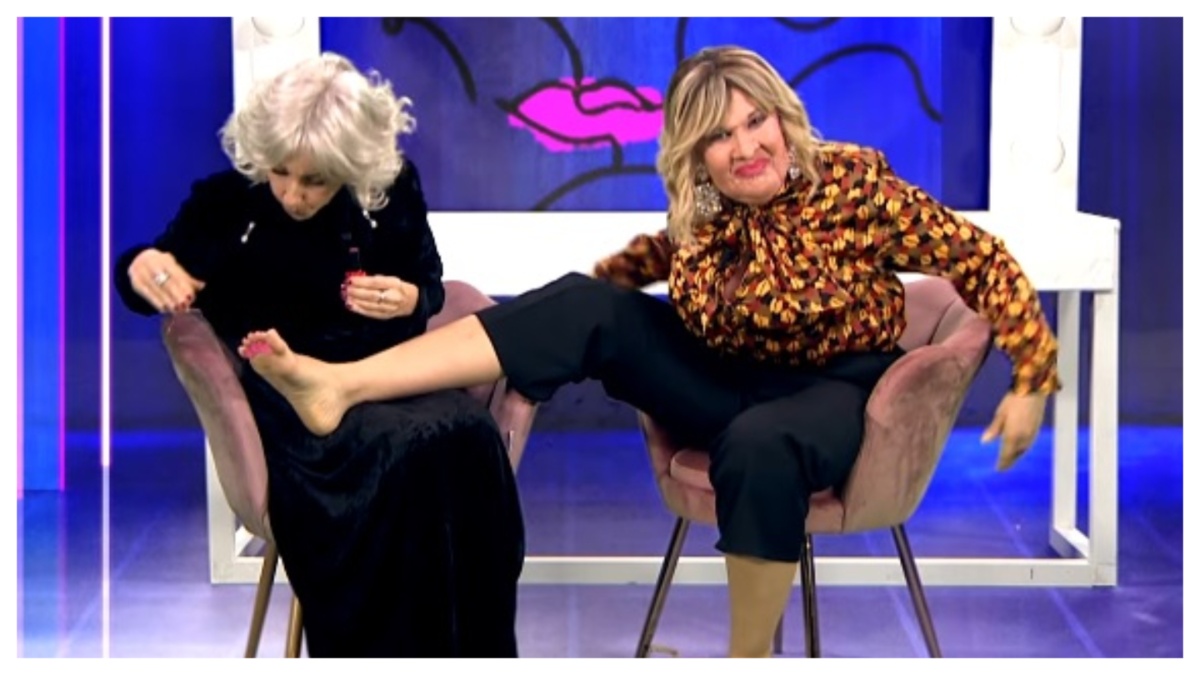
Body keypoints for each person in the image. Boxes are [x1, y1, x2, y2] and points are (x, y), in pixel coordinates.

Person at [238, 46, 1060, 658]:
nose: (745, 147)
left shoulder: (854, 185)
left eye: (756, 121)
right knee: (582, 304)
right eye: (719, 137)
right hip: (721, 378)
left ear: (783, 117)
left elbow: (981, 260)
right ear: (696, 153)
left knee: (761, 444)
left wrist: (1032, 376)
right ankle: (340, 384)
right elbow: (656, 260)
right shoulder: (701, 207)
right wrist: (592, 299)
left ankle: (747, 659)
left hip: (834, 390)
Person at [114, 52, 524, 658]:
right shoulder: (229, 204)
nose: (294, 194)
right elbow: (154, 274)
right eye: (281, 172)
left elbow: (429, 283)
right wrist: (141, 266)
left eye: (316, 181)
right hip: (289, 399)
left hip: (386, 373)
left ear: (350, 167)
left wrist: (411, 297)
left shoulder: (389, 191)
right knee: (400, 448)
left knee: (469, 432)